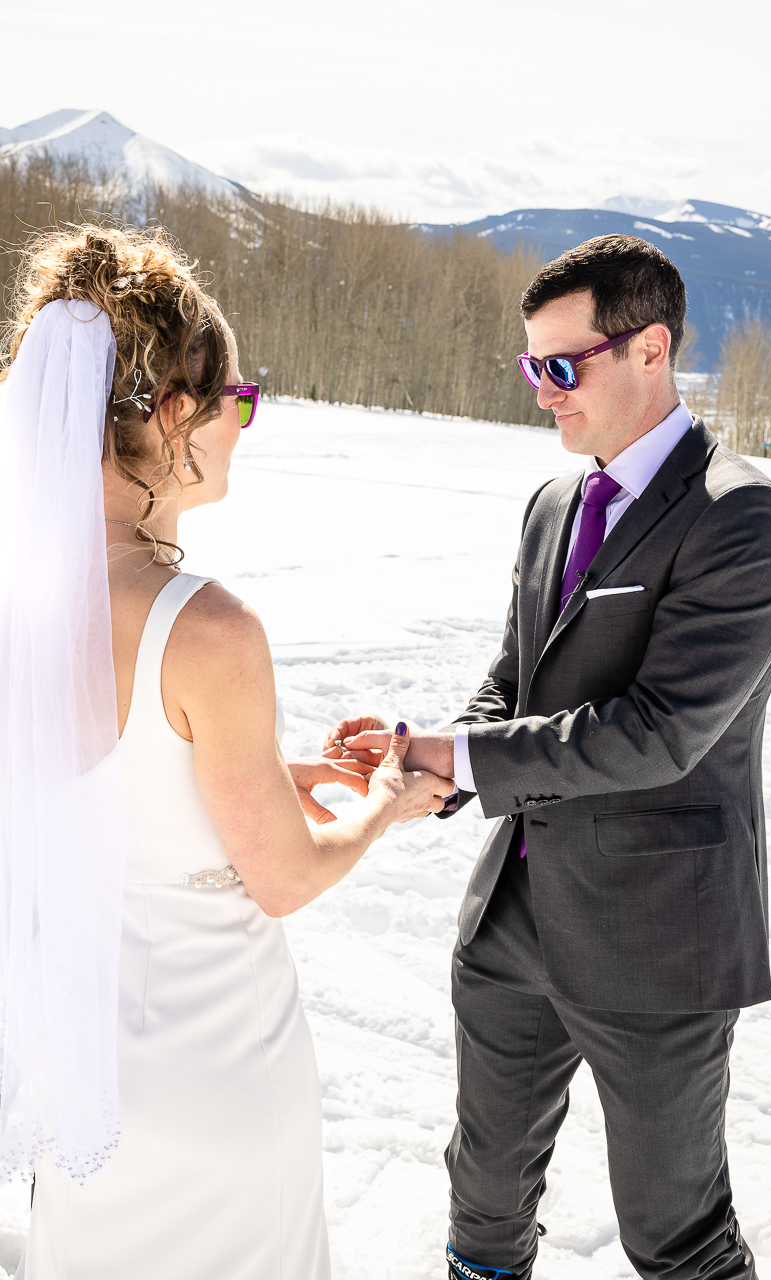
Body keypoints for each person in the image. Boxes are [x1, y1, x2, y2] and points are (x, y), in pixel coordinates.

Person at [326, 236, 771, 1280]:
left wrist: (460, 756)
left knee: (673, 1233)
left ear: (650, 348)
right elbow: (516, 677)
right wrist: (427, 763)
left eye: (561, 365)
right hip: (513, 919)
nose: (542, 392)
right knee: (483, 1196)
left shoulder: (746, 521)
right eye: (529, 367)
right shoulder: (554, 504)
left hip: (656, 942)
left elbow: (658, 730)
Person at [0, 225, 452, 1280]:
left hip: (84, 1084)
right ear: (172, 416)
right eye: (238, 400)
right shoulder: (205, 627)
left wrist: (277, 768)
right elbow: (286, 877)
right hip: (216, 1076)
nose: (245, 423)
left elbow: (91, 780)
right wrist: (383, 796)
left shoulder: (21, 607)